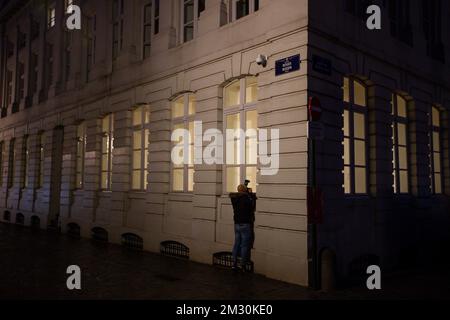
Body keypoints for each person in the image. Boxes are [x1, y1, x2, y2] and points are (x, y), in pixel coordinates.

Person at [229, 184, 256, 272]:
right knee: (244, 246)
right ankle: (243, 265)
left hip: (237, 224)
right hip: (245, 224)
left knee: (236, 244)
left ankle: (233, 264)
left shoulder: (234, 199)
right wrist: (250, 194)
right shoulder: (247, 199)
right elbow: (252, 207)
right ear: (245, 191)